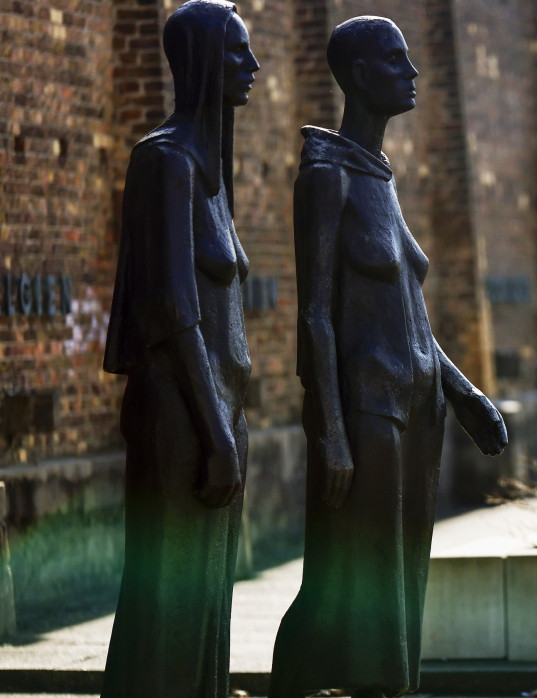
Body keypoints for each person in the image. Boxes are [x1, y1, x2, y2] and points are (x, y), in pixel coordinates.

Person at [269, 16, 507, 698]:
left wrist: (467, 399)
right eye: (397, 60)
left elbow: (410, 314)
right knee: (354, 572)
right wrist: (331, 432)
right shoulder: (325, 176)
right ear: (361, 74)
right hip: (369, 409)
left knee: (403, 572)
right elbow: (316, 313)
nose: (413, 73)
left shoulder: (380, 174)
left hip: (420, 407)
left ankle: (394, 688)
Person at [100, 1, 260, 696]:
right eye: (237, 54)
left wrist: (230, 423)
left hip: (220, 412)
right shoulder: (163, 162)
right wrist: (216, 429)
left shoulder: (210, 171)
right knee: (169, 595)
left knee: (206, 600)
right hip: (183, 415)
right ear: (199, 63)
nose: (252, 68)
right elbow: (170, 307)